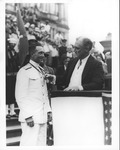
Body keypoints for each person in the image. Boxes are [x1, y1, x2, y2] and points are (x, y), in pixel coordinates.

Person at [15, 43, 55, 146]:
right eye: (40, 52)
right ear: (32, 54)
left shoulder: (41, 70)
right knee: (28, 144)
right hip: (31, 116)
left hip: (41, 116)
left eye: (43, 53)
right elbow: (20, 96)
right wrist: (27, 116)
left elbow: (44, 94)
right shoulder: (24, 71)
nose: (43, 55)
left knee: (41, 144)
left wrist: (48, 110)